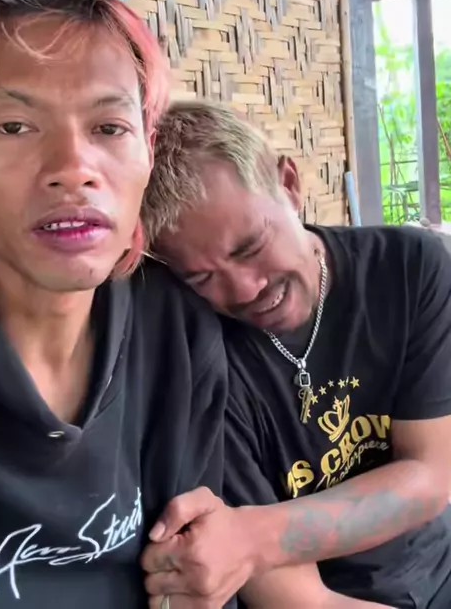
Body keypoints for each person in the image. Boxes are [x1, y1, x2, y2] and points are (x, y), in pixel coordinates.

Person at [0, 0, 236, 609]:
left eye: (110, 127)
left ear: (148, 150)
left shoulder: (176, 327)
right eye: (14, 126)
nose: (73, 167)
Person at [140, 99, 451, 609]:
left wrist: (248, 538)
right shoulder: (202, 362)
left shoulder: (407, 269)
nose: (244, 289)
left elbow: (430, 477)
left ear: (288, 184)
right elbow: (302, 601)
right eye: (201, 277)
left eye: (249, 247)